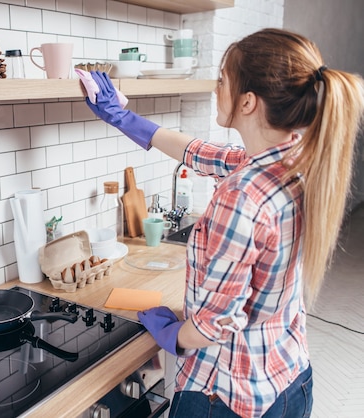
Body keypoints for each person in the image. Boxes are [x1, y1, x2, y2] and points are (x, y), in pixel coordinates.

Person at [81, 28, 364, 417]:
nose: (216, 89)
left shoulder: (241, 195)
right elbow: (197, 152)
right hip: (290, 380)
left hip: (226, 395)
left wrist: (173, 335)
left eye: (221, 80)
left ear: (247, 102)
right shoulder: (299, 159)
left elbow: (215, 326)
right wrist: (123, 118)